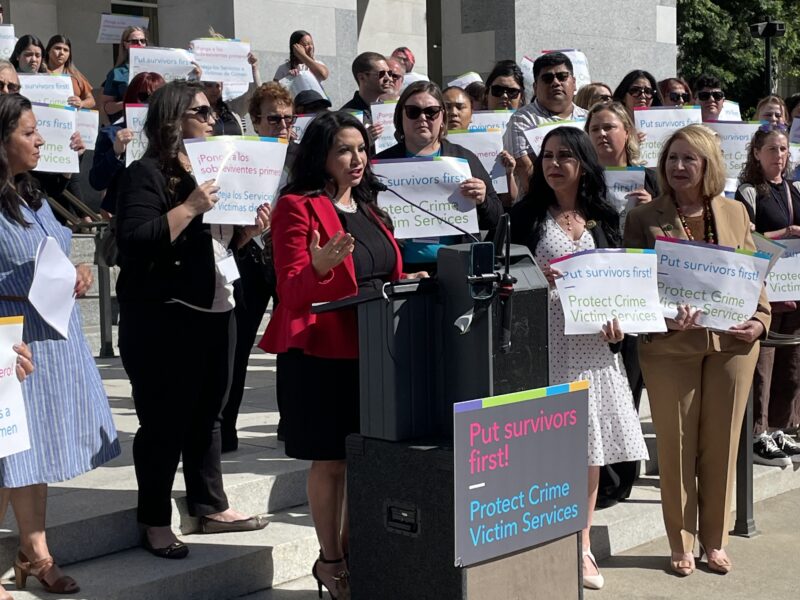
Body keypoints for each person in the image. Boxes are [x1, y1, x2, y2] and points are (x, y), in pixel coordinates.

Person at [260, 110, 425, 600]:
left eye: (361, 149)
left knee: (365, 461)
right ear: (322, 157)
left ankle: (356, 553)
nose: (357, 160)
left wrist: (407, 284)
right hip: (322, 353)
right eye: (344, 151)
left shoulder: (373, 206)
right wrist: (318, 264)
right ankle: (330, 561)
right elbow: (290, 290)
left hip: (375, 348)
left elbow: (381, 272)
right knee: (331, 460)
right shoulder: (298, 206)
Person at [114, 80, 269, 559]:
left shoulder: (215, 168)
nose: (211, 118)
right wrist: (190, 207)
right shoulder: (145, 175)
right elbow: (136, 241)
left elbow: (216, 247)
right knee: (164, 422)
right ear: (172, 120)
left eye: (214, 111)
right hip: (163, 316)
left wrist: (250, 231)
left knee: (209, 413)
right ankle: (156, 520)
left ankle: (209, 503)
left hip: (215, 305)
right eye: (201, 111)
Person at [624, 124, 771, 577]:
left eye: (690, 159)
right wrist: (659, 318)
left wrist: (760, 320)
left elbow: (754, 275)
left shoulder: (735, 212)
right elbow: (632, 288)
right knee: (677, 445)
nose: (679, 167)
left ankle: (715, 540)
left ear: (708, 164)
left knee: (722, 443)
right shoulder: (643, 219)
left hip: (732, 344)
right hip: (669, 345)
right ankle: (680, 542)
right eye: (672, 158)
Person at [509, 127, 648, 590]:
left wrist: (621, 323)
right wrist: (532, 276)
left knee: (587, 451)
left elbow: (622, 286)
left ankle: (582, 544)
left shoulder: (605, 217)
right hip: (542, 345)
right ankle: (542, 538)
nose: (553, 164)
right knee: (546, 447)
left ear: (584, 163)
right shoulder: (524, 216)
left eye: (564, 155)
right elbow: (501, 278)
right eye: (547, 156)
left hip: (591, 347)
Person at [0, 93, 121, 597]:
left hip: (50, 338)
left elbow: (53, 249)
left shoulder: (31, 192)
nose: (39, 140)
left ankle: (35, 550)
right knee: (6, 454)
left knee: (36, 452)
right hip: (11, 340)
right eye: (29, 133)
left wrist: (78, 269)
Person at [219, 80, 296, 452]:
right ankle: (225, 427)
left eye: (287, 119)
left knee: (292, 344)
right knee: (238, 344)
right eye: (273, 119)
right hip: (248, 255)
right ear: (254, 120)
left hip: (287, 258)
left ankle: (292, 423)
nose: (282, 126)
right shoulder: (238, 155)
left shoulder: (300, 159)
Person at [376, 80, 502, 272]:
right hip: (401, 272)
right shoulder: (380, 164)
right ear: (400, 117)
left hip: (458, 269)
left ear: (442, 117)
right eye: (413, 111)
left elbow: (495, 218)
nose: (422, 118)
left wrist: (482, 200)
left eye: (431, 112)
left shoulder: (464, 159)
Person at [735, 124, 800, 465]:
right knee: (765, 362)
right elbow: (745, 237)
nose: (779, 156)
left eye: (784, 150)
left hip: (794, 289)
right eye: (772, 150)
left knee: (792, 361)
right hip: (766, 288)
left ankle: (780, 426)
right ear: (757, 154)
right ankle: (757, 430)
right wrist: (785, 232)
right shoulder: (749, 192)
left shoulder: (793, 189)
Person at [504, 52, 588, 195]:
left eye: (562, 77)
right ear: (536, 87)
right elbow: (526, 171)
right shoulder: (522, 120)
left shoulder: (589, 118)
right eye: (547, 78)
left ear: (574, 83)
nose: (555, 83)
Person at [89, 72, 166, 216]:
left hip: (163, 213)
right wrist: (116, 152)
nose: (150, 103)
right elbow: (96, 182)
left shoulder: (171, 135)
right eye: (144, 97)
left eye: (157, 98)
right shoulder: (112, 134)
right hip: (127, 214)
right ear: (131, 98)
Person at [202, 52, 262, 136]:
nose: (214, 90)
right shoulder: (194, 111)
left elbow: (255, 94)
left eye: (217, 86)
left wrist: (254, 68)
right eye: (209, 85)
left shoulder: (231, 107)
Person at [100, 26, 148, 123]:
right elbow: (106, 107)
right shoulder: (117, 73)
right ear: (125, 44)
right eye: (134, 41)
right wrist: (126, 103)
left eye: (142, 41)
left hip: (153, 124)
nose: (139, 44)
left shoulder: (156, 67)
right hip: (127, 124)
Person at [340, 52, 394, 132]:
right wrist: (367, 139)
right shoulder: (346, 116)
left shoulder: (390, 110)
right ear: (362, 77)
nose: (389, 79)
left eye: (389, 73)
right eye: (381, 74)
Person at [44, 34, 95, 109]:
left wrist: (81, 103)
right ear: (48, 50)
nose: (62, 53)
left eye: (66, 50)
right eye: (57, 48)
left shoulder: (75, 75)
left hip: (69, 119)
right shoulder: (39, 73)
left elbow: (92, 101)